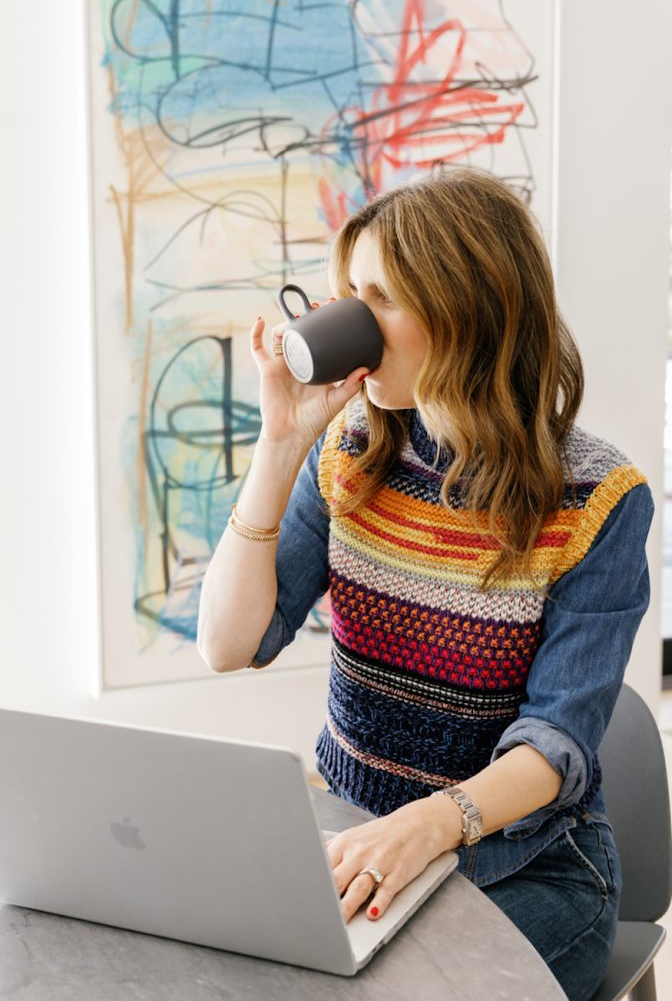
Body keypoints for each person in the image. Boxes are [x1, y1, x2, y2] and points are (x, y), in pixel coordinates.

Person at [197, 166, 653, 1001]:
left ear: (467, 311)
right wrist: (278, 446)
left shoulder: (599, 499)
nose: (351, 323)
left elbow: (556, 742)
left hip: (527, 872)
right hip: (352, 839)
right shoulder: (352, 449)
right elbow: (229, 643)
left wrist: (431, 825)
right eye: (347, 294)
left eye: (380, 297)